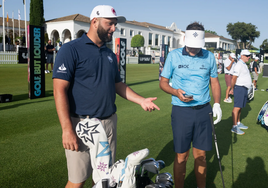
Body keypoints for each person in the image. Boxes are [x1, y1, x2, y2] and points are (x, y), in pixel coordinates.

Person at [52, 5, 160, 188]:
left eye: (115, 24)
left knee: (105, 180)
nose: (113, 28)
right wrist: (66, 129)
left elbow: (118, 85)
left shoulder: (110, 54)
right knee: (77, 180)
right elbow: (59, 90)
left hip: (108, 124)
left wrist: (141, 100)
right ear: (94, 22)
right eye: (109, 24)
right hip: (81, 125)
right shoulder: (71, 50)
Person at [159, 22, 222, 188]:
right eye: (191, 45)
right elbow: (163, 83)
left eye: (197, 46)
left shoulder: (209, 56)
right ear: (185, 39)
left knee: (200, 155)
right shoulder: (173, 56)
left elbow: (214, 83)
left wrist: (217, 104)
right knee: (182, 156)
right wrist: (176, 92)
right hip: (181, 111)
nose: (194, 49)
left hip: (203, 110)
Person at [231, 49, 252, 135]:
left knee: (240, 107)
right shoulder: (239, 65)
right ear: (242, 56)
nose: (248, 57)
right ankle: (234, 126)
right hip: (239, 88)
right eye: (247, 56)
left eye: (249, 55)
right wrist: (232, 89)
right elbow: (233, 78)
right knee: (237, 107)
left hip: (243, 88)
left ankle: (238, 123)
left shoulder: (243, 64)